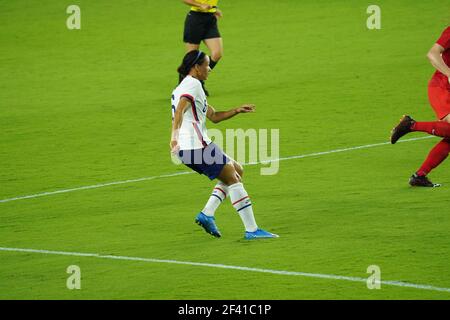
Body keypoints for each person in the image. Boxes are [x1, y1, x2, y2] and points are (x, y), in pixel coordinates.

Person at [170, 50, 278, 239]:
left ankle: (207, 214)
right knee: (233, 178)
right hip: (194, 147)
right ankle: (252, 230)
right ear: (196, 67)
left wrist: (236, 110)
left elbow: (213, 116)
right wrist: (174, 138)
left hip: (196, 146)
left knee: (237, 169)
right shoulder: (193, 84)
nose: (209, 68)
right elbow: (179, 110)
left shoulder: (185, 86)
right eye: (206, 64)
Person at [391, 26, 450, 187]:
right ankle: (411, 125)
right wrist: (449, 73)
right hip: (442, 88)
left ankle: (419, 175)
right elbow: (432, 54)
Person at [181, 0, 224, 96]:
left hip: (210, 19)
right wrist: (200, 5)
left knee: (217, 54)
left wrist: (214, 9)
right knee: (191, 57)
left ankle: (198, 79)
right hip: (195, 19)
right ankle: (184, 85)